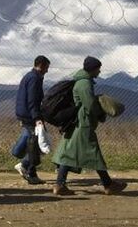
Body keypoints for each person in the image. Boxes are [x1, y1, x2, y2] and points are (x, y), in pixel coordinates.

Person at [51, 56, 127, 196]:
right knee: (93, 153)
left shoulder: (81, 81)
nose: (99, 71)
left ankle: (60, 184)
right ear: (93, 69)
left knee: (68, 154)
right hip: (83, 123)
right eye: (98, 69)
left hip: (77, 122)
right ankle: (108, 185)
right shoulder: (85, 83)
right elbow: (90, 105)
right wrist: (99, 114)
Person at [13, 55, 50, 185]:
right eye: (46, 67)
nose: (47, 70)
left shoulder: (29, 76)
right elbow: (33, 100)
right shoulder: (35, 78)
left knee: (32, 143)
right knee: (36, 143)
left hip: (24, 113)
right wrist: (37, 118)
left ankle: (29, 170)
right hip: (30, 115)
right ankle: (27, 167)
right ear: (42, 65)